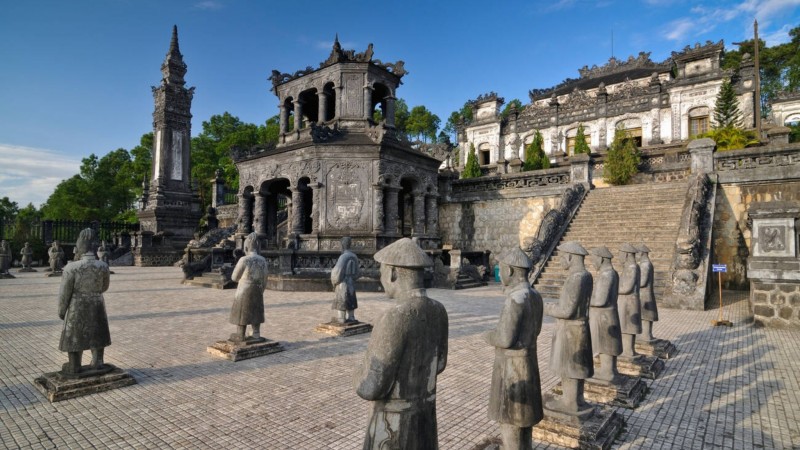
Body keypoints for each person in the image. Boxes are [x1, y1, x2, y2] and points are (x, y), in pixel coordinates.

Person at [354, 238, 448, 450]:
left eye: (382, 271)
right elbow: (440, 364)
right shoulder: (438, 311)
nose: (380, 277)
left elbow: (372, 387)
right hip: (425, 417)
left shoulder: (394, 318)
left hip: (393, 426)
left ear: (393, 273)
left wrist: (356, 374)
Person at [485, 247, 543, 450]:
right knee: (524, 422)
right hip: (528, 362)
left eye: (501, 269)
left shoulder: (515, 298)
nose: (500, 274)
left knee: (510, 420)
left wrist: (488, 336)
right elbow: (536, 330)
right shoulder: (535, 295)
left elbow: (504, 338)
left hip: (512, 368)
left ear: (509, 271)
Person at [544, 241, 594, 415]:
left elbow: (567, 310)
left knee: (570, 366)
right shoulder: (586, 275)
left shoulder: (576, 278)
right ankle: (575, 399)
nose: (560, 261)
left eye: (562, 257)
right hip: (578, 327)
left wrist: (548, 308)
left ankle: (570, 402)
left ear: (571, 257)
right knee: (572, 366)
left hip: (571, 329)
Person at [58, 229, 111, 374]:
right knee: (98, 331)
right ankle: (98, 362)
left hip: (77, 305)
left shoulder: (71, 268)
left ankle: (74, 365)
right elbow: (105, 287)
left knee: (75, 334)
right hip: (97, 303)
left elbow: (65, 292)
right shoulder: (103, 266)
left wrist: (62, 310)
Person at [588, 246, 623, 383]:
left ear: (601, 259)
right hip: (608, 315)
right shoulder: (611, 273)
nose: (593, 262)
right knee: (606, 344)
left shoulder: (606, 274)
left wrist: (584, 299)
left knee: (605, 345)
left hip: (604, 316)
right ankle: (609, 370)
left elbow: (600, 300)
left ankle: (607, 372)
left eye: (594, 259)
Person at [229, 232, 267, 342]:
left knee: (242, 312)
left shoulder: (244, 260)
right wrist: (260, 289)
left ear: (246, 247)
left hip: (244, 290)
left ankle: (240, 334)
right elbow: (265, 279)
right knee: (256, 311)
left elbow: (234, 277)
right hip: (258, 289)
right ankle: (256, 333)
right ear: (258, 247)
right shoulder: (263, 260)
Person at [618, 243, 642, 359]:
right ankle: (627, 349)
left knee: (628, 327)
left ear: (626, 254)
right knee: (625, 326)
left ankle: (628, 350)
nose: (619, 257)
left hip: (629, 301)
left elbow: (627, 287)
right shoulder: (631, 267)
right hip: (627, 301)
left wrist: (613, 289)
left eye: (620, 254)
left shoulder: (632, 267)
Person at [330, 237, 360, 323]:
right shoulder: (354, 256)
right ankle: (351, 317)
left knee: (342, 299)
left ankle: (341, 318)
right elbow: (358, 272)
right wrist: (352, 278)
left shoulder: (343, 257)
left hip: (342, 282)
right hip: (351, 282)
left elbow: (337, 271)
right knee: (351, 298)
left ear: (342, 245)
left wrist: (334, 282)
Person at [637, 244, 659, 342]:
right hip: (644, 293)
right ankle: (645, 334)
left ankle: (646, 335)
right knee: (644, 314)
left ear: (642, 253)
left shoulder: (645, 264)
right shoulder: (645, 264)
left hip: (645, 293)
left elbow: (643, 282)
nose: (636, 255)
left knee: (646, 314)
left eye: (637, 253)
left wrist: (633, 282)